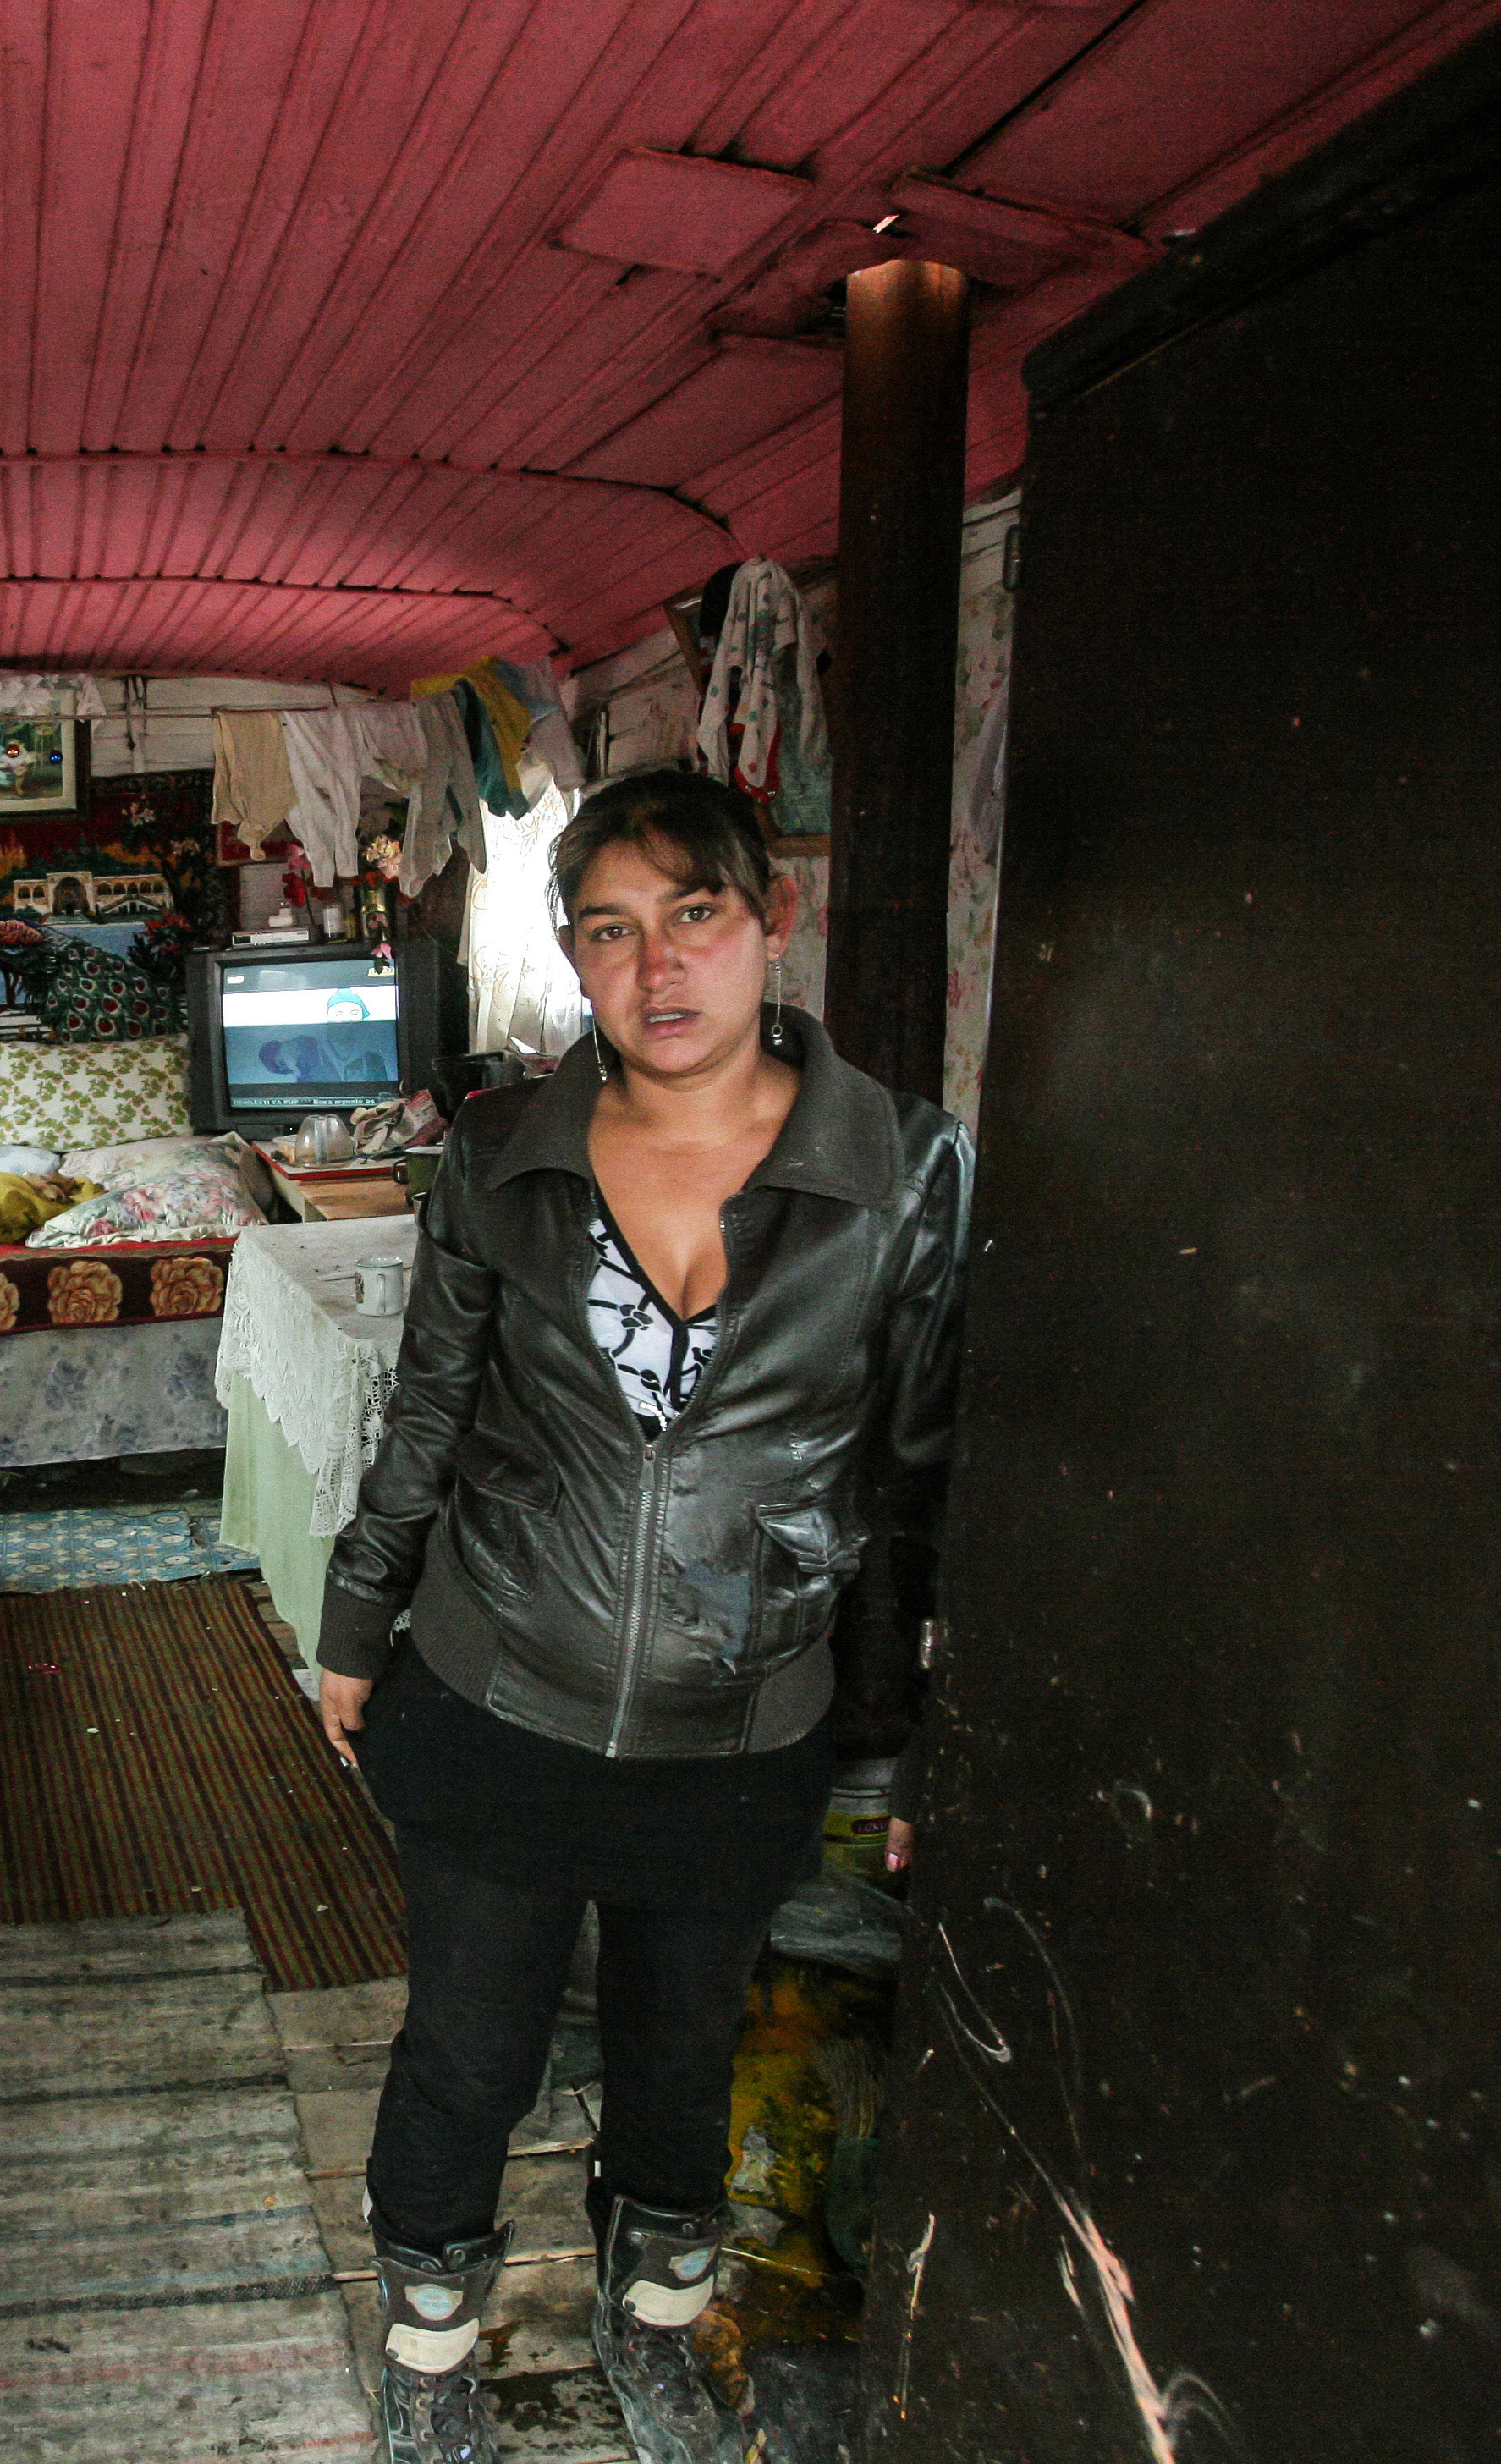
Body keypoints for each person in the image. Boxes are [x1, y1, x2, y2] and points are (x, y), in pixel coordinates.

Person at [315, 771, 970, 2464]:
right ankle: (432, 2352)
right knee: (470, 2051)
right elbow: (428, 1409)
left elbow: (909, 1479)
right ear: (572, 957)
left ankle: (650, 2325)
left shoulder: (904, 1172)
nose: (657, 969)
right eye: (609, 932)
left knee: (683, 2059)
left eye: (695, 916)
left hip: (743, 1723)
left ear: (771, 920)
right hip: (498, 1689)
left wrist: (885, 1741)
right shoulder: (501, 1154)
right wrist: (358, 1621)